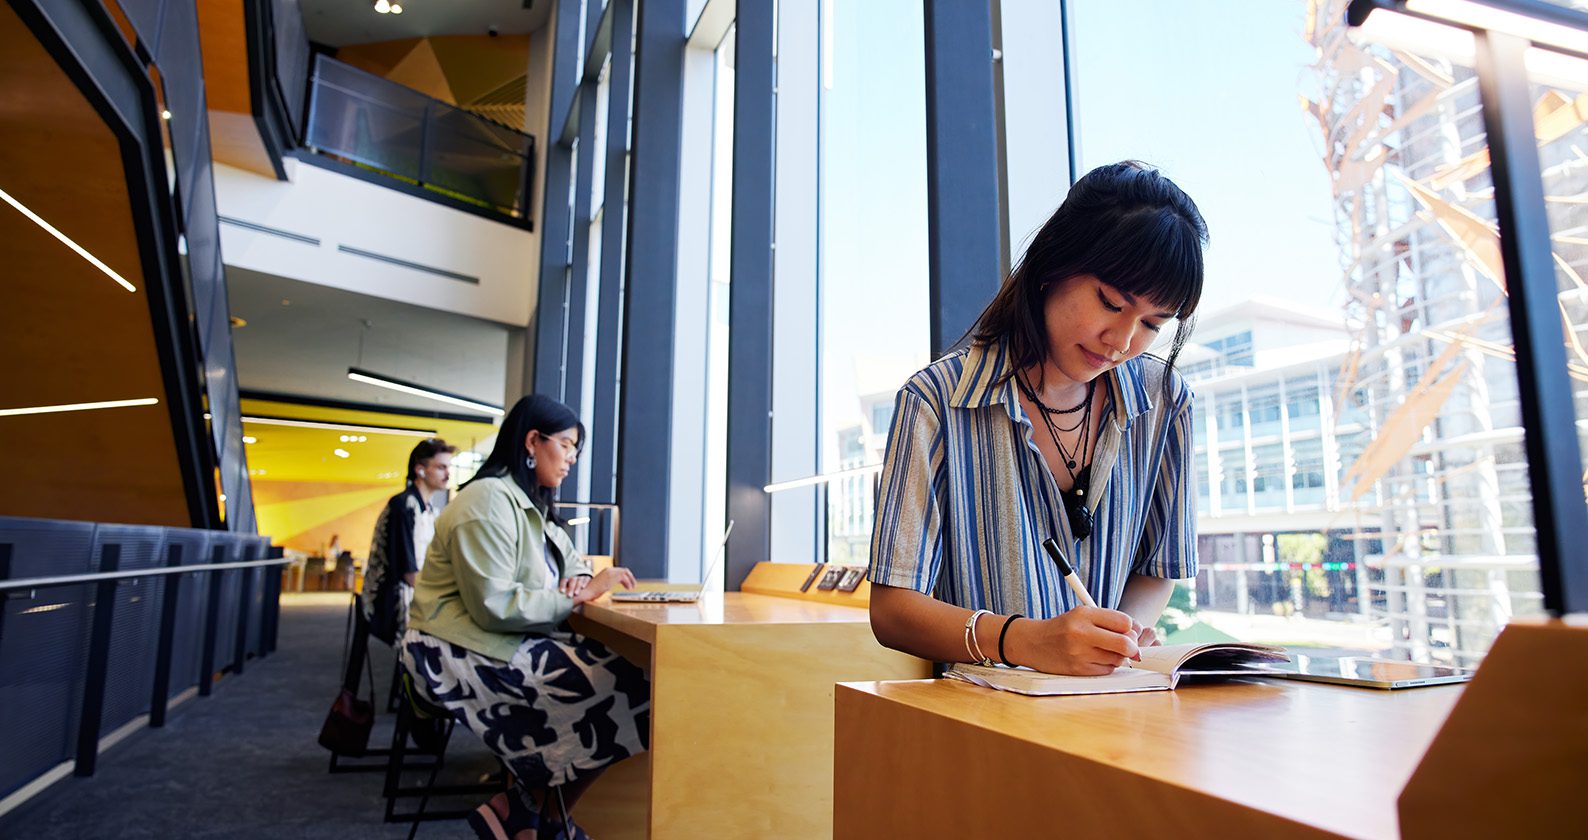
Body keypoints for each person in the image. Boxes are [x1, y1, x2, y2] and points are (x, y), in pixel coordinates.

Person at [868, 161, 1207, 677]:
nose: (1122, 340)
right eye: (1111, 303)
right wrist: (1027, 642)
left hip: (1105, 713)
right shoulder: (936, 401)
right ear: (1054, 265)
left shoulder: (1165, 403)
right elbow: (892, 611)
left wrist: (1122, 636)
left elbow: (1156, 569)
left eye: (1153, 324)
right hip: (977, 725)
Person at [403, 395, 645, 839]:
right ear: (533, 441)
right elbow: (494, 605)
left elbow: (572, 559)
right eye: (568, 445)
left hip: (498, 640)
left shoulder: (529, 504)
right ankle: (537, 815)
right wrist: (576, 598)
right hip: (452, 649)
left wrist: (578, 579)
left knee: (632, 684)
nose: (572, 459)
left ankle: (531, 813)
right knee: (628, 691)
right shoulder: (487, 500)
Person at [360, 437, 457, 645]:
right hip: (390, 598)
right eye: (441, 467)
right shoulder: (403, 505)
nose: (448, 474)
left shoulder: (430, 509)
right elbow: (407, 571)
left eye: (448, 467)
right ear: (420, 470)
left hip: (413, 590)